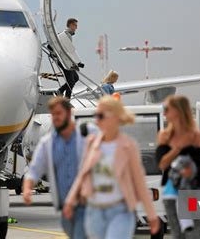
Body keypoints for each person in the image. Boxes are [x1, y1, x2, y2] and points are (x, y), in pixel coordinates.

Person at [63, 96, 159, 239]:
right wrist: (70, 202)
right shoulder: (92, 143)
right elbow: (83, 174)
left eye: (100, 116)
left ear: (114, 117)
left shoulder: (128, 146)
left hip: (121, 210)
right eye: (95, 116)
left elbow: (139, 181)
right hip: (95, 212)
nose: (96, 120)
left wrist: (151, 214)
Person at [23, 96, 95, 239]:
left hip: (88, 200)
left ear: (69, 114)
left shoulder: (87, 134)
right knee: (71, 230)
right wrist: (27, 188)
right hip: (65, 205)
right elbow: (35, 168)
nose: (55, 117)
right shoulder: (48, 142)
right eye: (53, 114)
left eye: (59, 114)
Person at [156, 95, 200, 239]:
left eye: (167, 109)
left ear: (178, 111)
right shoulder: (164, 135)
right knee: (177, 234)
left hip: (192, 193)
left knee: (193, 233)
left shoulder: (197, 136)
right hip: (171, 193)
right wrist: (178, 148)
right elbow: (162, 164)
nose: (164, 113)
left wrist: (192, 171)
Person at [57, 18, 85, 99]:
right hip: (65, 61)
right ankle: (67, 99)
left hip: (67, 60)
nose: (76, 27)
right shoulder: (66, 35)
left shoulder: (65, 35)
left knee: (75, 78)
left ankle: (61, 90)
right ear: (70, 25)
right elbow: (71, 50)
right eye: (75, 25)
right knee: (71, 81)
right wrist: (78, 62)